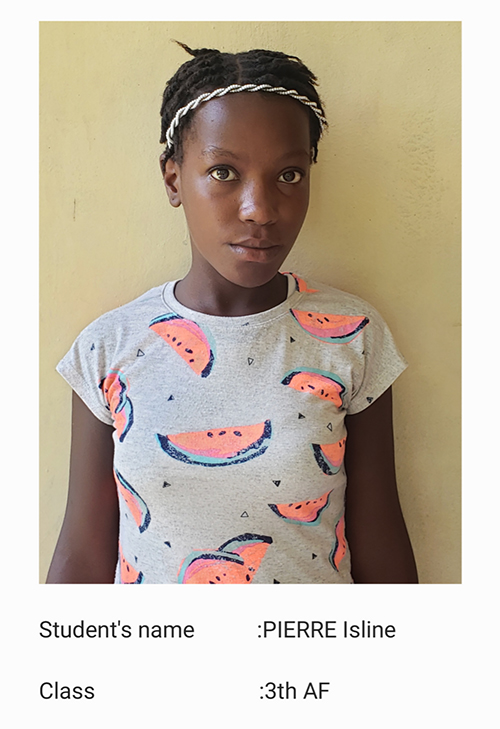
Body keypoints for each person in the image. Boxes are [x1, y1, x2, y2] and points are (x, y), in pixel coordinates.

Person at [47, 43, 418, 584]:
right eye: (223, 172)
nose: (260, 210)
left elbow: (381, 543)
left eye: (288, 175)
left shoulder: (351, 336)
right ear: (173, 179)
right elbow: (81, 555)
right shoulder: (109, 347)